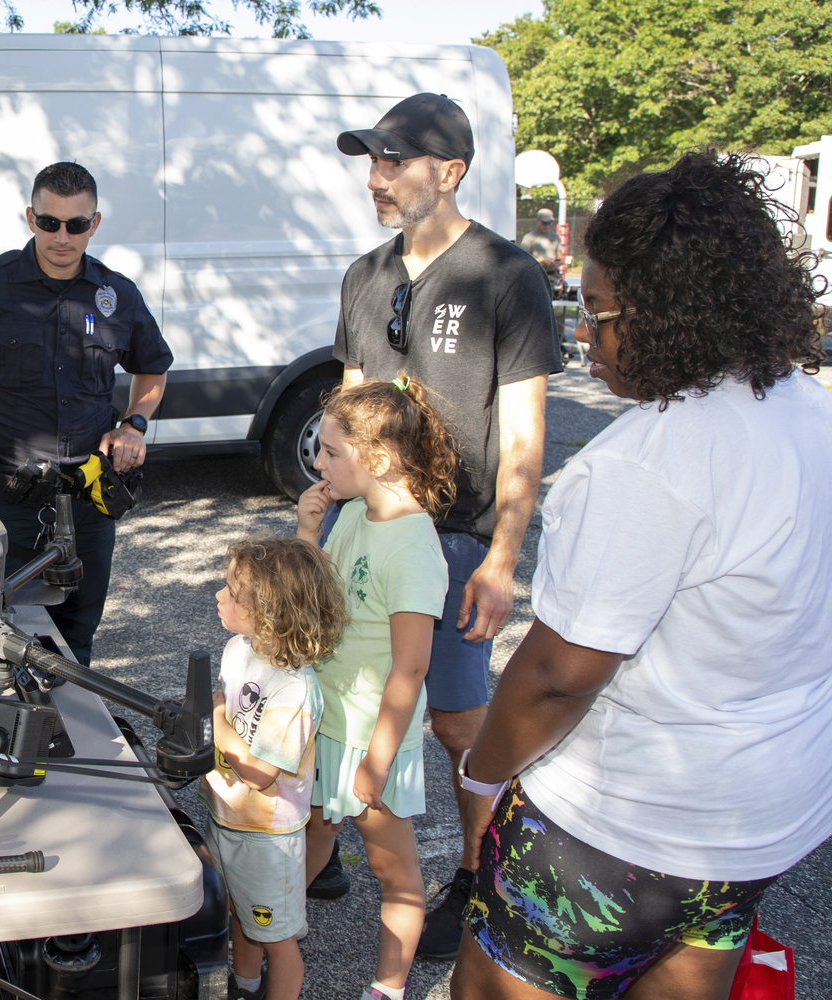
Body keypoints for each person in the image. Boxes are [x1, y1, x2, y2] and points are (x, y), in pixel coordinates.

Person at [452, 151, 832, 999]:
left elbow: (559, 677)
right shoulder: (814, 410)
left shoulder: (648, 462)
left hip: (628, 829)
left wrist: (483, 775)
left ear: (670, 315)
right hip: (768, 814)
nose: (584, 334)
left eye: (598, 312)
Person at [319, 94, 562, 957]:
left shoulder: (505, 275)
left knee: (456, 719)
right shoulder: (364, 273)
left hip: (455, 534)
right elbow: (349, 404)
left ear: (450, 172)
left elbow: (527, 434)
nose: (377, 180)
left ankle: (477, 876)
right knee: (331, 687)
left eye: (395, 162)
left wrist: (503, 556)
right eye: (372, 163)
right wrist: (323, 505)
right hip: (360, 525)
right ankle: (326, 845)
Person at [0, 161, 172, 666]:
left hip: (88, 505)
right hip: (3, 506)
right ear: (30, 217)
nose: (62, 237)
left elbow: (152, 369)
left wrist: (133, 423)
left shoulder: (118, 295)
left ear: (95, 223)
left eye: (76, 224)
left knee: (76, 641)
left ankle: (65, 736)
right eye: (49, 222)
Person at [295, 377, 458, 1000]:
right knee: (314, 829)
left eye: (333, 452)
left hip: (371, 738)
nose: (319, 461)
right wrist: (308, 535)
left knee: (396, 872)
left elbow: (410, 669)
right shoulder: (355, 514)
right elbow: (323, 599)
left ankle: (388, 987)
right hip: (328, 719)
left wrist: (377, 763)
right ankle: (272, 928)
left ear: (382, 459)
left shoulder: (415, 548)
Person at [203, 537, 345, 1000]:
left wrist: (218, 720)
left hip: (267, 839)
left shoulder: (294, 689)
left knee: (276, 938)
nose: (219, 596)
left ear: (267, 612)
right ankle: (244, 987)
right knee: (242, 916)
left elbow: (260, 773)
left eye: (230, 591)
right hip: (228, 817)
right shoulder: (237, 649)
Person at [517, 208, 562, 297]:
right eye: (544, 223)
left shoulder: (555, 237)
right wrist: (542, 261)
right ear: (538, 220)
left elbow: (560, 254)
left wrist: (558, 261)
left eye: (550, 223)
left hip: (553, 276)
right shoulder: (529, 237)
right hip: (537, 275)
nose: (547, 226)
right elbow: (523, 260)